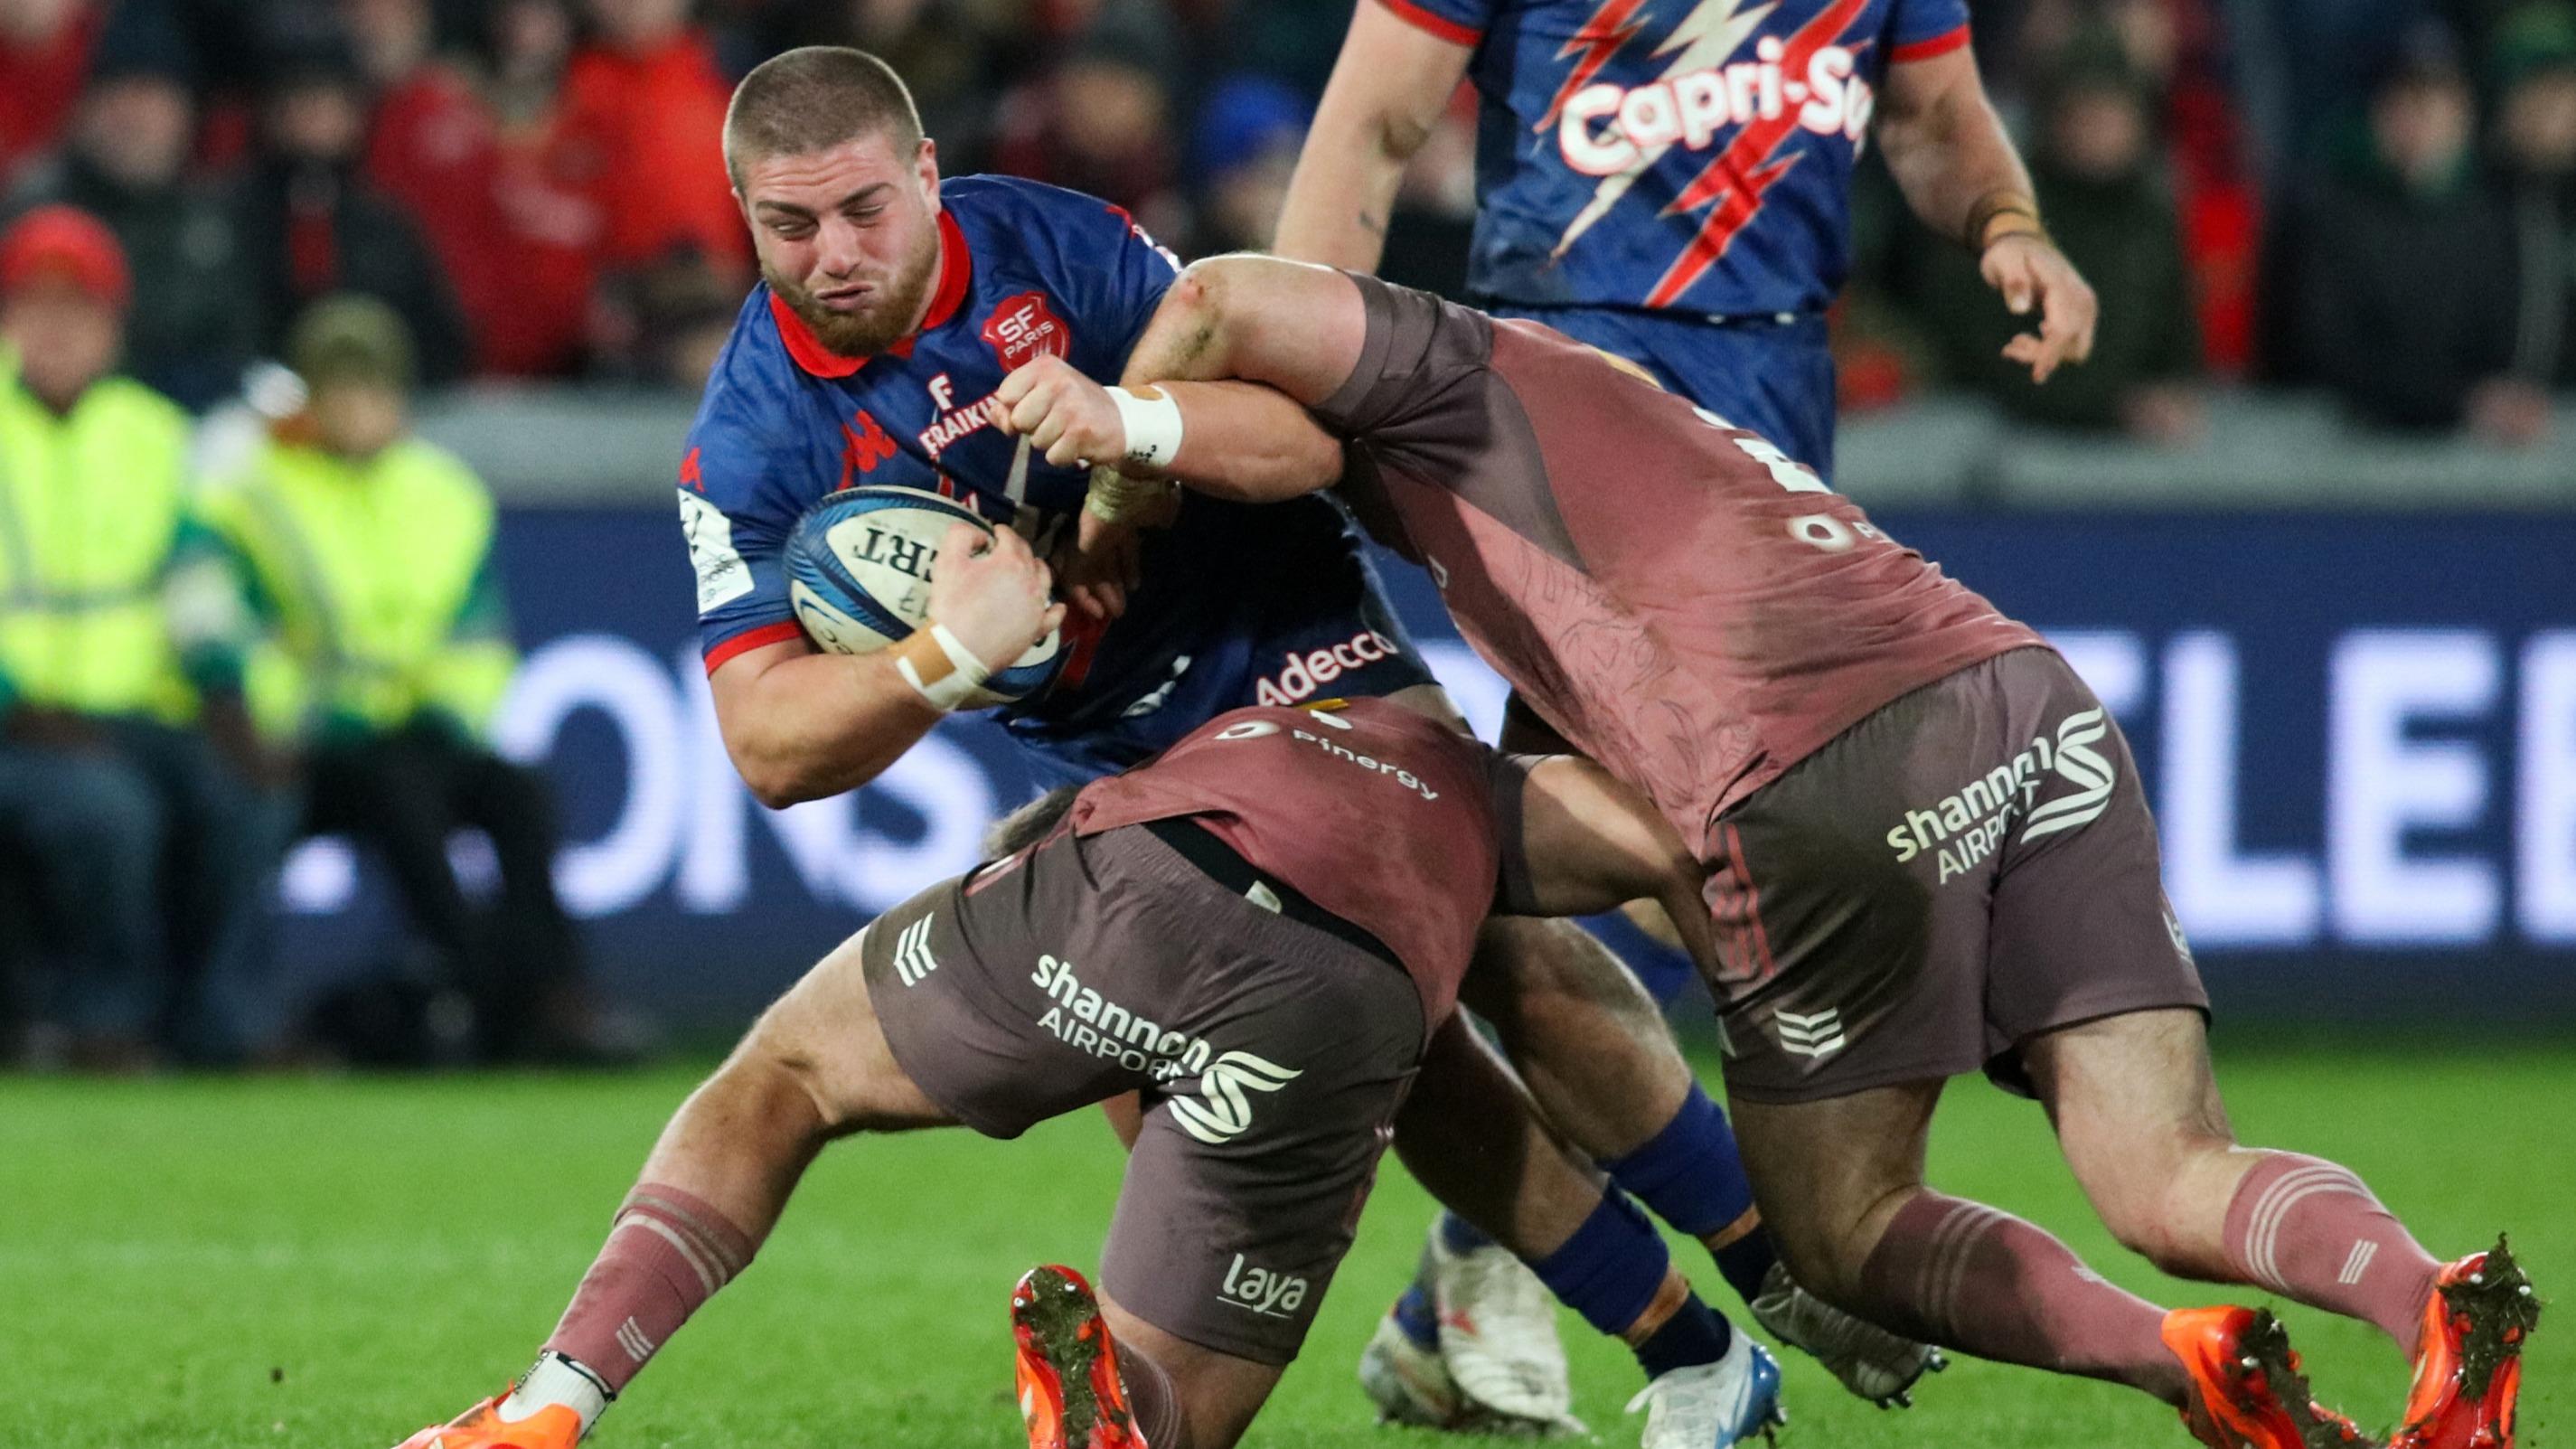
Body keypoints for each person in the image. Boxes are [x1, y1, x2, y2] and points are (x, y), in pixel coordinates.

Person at [997, 255, 2543, 1449]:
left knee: (1852, 1229)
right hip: (2020, 694)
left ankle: (2169, 1354)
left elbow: (1216, 299)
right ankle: (2425, 1295)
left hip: (1818, 769)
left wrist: (1128, 469)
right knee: (2165, 1165)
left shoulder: (1446, 365)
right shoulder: (1597, 473)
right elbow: (1540, 819)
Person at [675, 44, 1909, 1443]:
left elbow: (1302, 433)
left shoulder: (1051, 248)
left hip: (1274, 624)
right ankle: (1690, 1350)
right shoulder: (753, 434)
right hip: (1106, 741)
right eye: (788, 225)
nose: (832, 255)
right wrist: (939, 652)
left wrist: (1126, 448)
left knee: (1500, 946)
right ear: (741, 211)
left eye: (862, 213)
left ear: (923, 176)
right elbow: (768, 748)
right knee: (1398, 1028)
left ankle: (1783, 1267)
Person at [1275, 0, 2092, 1407]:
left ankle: (1479, 1266)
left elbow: (1931, 115)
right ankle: (1665, 1269)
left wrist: (2005, 220)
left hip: (1770, 384)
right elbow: (1374, 122)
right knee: (1681, 844)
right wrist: (1302, 355)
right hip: (1566, 379)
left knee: (1596, 868)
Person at [388, 694, 1766, 1449]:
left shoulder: (1154, 778)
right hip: (1350, 1004)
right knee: (1180, 1409)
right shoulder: (1462, 781)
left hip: (1135, 891)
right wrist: (1765, 1021)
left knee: (784, 1076)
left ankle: (548, 1404)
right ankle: (1127, 1411)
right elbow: (1661, 855)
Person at [185, 296, 615, 1065]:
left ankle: (555, 994)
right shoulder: (254, 494)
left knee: (519, 795)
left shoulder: (443, 494)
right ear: (308, 401)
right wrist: (293, 717)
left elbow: (479, 641)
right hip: (316, 737)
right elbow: (234, 633)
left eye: (373, 389)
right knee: (402, 799)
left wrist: (448, 715)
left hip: (424, 726)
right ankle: (478, 986)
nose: (358, 408)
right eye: (339, 390)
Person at [0, 204, 282, 1067]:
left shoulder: (156, 435)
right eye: (34, 309)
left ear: (112, 326)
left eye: (76, 311)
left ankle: (217, 1020)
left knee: (247, 797)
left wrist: (228, 691)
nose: (56, 331)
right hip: (23, 720)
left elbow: (196, 580)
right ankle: (102, 1019)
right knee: (107, 816)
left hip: (133, 708)